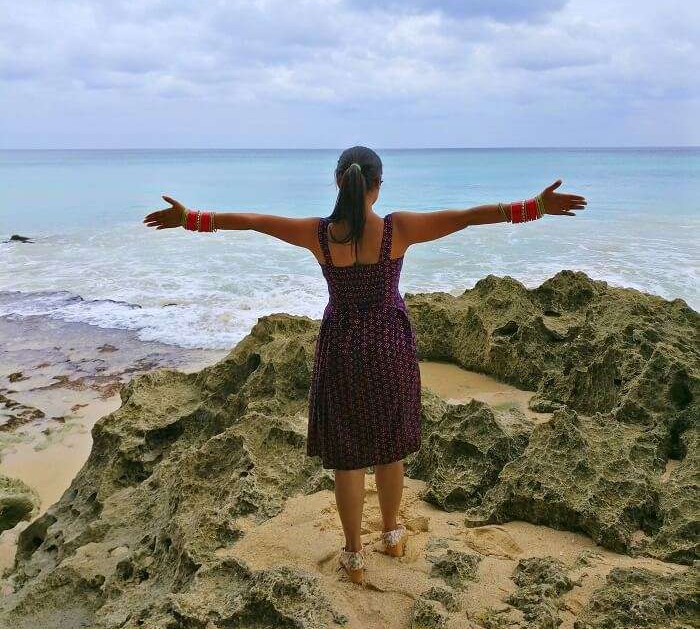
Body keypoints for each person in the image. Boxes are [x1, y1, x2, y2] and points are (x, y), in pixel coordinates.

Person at [142, 146, 587, 585]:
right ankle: (392, 536)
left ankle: (354, 554)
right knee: (390, 445)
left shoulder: (318, 234)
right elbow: (469, 215)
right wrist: (536, 207)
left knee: (348, 457)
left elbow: (255, 222)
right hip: (388, 345)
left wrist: (191, 219)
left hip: (340, 348)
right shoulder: (399, 229)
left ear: (339, 182)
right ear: (378, 185)